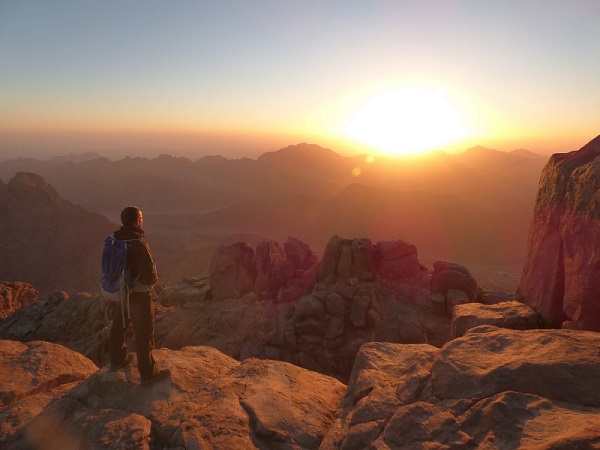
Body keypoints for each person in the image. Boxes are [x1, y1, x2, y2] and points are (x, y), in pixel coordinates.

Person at [108, 206, 169, 384]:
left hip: (119, 293)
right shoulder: (139, 244)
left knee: (118, 326)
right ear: (137, 221)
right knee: (143, 333)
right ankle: (148, 373)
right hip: (138, 296)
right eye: (141, 217)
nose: (142, 220)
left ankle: (116, 359)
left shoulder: (115, 240)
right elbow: (150, 277)